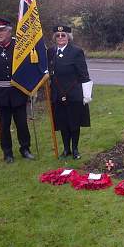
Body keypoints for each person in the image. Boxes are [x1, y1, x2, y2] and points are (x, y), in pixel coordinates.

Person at [0, 17, 34, 163]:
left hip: (18, 92)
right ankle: (7, 153)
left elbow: (28, 68)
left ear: (9, 31)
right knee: (4, 125)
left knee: (22, 123)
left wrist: (31, 88)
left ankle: (25, 149)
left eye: (2, 30)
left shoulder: (19, 46)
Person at [47, 25, 93, 160]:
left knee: (74, 123)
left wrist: (87, 94)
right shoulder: (50, 51)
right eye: (58, 35)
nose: (60, 38)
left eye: (63, 35)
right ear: (55, 37)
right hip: (57, 93)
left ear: (68, 37)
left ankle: (75, 149)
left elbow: (83, 73)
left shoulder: (76, 51)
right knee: (62, 123)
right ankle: (66, 149)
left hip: (73, 93)